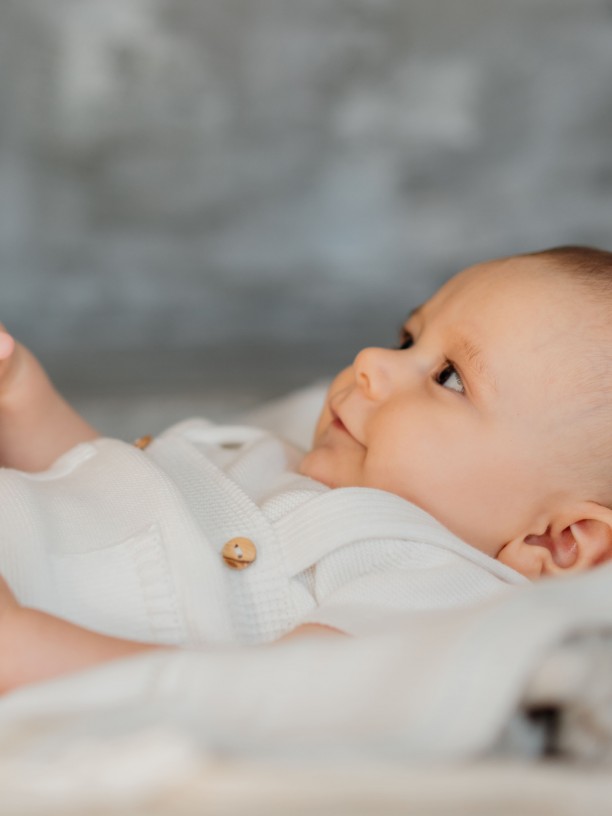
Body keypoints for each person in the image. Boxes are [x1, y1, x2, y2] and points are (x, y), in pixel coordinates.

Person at [1, 244, 612, 694]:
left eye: (449, 377)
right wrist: (21, 397)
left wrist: (28, 652)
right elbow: (104, 514)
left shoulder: (433, 587)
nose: (372, 360)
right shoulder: (282, 458)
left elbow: (275, 698)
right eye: (407, 339)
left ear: (556, 541)